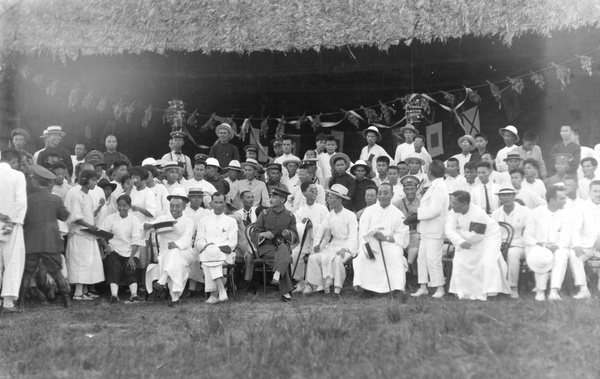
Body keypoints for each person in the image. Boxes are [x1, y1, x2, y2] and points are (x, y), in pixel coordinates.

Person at [524, 186, 590, 301]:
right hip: (538, 246)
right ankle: (540, 290)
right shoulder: (536, 213)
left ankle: (554, 291)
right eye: (562, 198)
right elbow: (527, 236)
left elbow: (567, 235)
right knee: (542, 255)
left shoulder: (568, 213)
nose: (566, 201)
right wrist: (541, 244)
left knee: (561, 255)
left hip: (559, 246)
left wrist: (557, 246)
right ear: (552, 200)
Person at [445, 191, 511, 300]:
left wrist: (459, 232)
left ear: (465, 204)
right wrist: (459, 240)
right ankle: (464, 291)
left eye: (455, 203)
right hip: (466, 239)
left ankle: (491, 292)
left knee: (487, 260)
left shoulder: (478, 214)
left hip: (489, 237)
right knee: (460, 260)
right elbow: (449, 229)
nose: (452, 205)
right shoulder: (454, 211)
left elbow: (476, 237)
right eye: (451, 202)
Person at [353, 183, 409, 297]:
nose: (382, 196)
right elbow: (362, 232)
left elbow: (403, 237)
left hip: (390, 244)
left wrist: (385, 237)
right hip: (371, 243)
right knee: (363, 256)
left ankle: (396, 288)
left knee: (396, 255)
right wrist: (369, 240)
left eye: (385, 193)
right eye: (380, 193)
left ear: (392, 194)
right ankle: (367, 289)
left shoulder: (398, 214)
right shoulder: (369, 211)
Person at [304, 184, 358, 298]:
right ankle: (316, 286)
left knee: (337, 259)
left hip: (346, 245)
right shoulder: (329, 216)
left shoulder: (350, 215)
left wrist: (345, 249)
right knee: (313, 258)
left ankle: (337, 289)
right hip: (333, 245)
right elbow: (322, 233)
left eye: (331, 198)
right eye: (328, 197)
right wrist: (317, 246)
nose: (328, 200)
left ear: (339, 200)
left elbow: (353, 236)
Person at [144, 188, 196, 307]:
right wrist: (146, 226)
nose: (174, 209)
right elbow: (151, 225)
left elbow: (187, 238)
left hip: (185, 252)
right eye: (172, 206)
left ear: (184, 207)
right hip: (165, 253)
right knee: (175, 260)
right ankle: (174, 299)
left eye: (178, 206)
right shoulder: (164, 218)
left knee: (175, 253)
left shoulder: (189, 221)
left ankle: (162, 280)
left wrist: (177, 245)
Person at [250, 187, 299, 302]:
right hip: (267, 248)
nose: (270, 199)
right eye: (271, 196)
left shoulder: (290, 216)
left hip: (282, 247)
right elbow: (254, 234)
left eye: (274, 197)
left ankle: (278, 277)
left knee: (283, 249)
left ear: (282, 200)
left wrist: (289, 234)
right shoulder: (264, 214)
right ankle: (285, 290)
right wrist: (263, 234)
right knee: (284, 258)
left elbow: (295, 236)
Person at [64, 169, 105, 301]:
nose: (95, 183)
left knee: (89, 262)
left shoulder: (89, 196)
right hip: (79, 235)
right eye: (93, 180)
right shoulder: (77, 195)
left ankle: (85, 291)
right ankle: (78, 293)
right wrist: (89, 226)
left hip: (88, 235)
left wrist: (98, 208)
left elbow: (88, 214)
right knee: (80, 263)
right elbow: (76, 218)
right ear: (85, 180)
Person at [409, 160, 448, 298]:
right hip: (426, 229)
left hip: (435, 229)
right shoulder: (433, 185)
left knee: (433, 259)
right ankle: (423, 286)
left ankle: (440, 288)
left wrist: (417, 211)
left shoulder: (439, 187)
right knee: (422, 258)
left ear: (430, 172)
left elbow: (436, 210)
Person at [99, 194, 145, 303]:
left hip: (130, 251)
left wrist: (132, 257)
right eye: (119, 205)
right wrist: (107, 247)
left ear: (129, 206)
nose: (121, 208)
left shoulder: (134, 220)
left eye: (124, 205)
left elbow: (136, 240)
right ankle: (114, 295)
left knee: (131, 268)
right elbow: (100, 234)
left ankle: (134, 294)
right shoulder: (111, 218)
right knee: (113, 267)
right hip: (114, 249)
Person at [195, 192, 238, 304]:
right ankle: (221, 289)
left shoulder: (231, 221)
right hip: (206, 252)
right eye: (216, 202)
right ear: (211, 204)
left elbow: (232, 243)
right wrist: (207, 247)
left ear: (225, 204)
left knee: (212, 254)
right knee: (210, 254)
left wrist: (214, 247)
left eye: (221, 202)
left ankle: (214, 295)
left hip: (226, 254)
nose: (218, 205)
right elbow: (199, 240)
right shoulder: (204, 220)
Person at [0, 149, 27, 311]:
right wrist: (10, 221)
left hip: (5, 220)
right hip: (12, 223)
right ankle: (8, 301)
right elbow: (21, 202)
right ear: (14, 162)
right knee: (12, 260)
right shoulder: (17, 176)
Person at [491, 186, 530, 298]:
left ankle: (513, 287)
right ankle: (493, 287)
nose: (506, 197)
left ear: (514, 196)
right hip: (501, 246)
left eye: (509, 195)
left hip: (521, 246)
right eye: (503, 195)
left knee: (512, 253)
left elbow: (528, 233)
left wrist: (512, 245)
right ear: (499, 197)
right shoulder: (495, 213)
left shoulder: (525, 211)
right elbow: (494, 234)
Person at [290, 182, 329, 284]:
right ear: (304, 193)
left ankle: (314, 283)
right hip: (304, 242)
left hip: (319, 242)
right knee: (295, 255)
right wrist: (303, 226)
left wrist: (313, 226)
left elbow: (327, 228)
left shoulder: (323, 209)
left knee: (314, 257)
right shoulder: (299, 212)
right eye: (311, 191)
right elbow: (297, 229)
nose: (314, 193)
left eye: (316, 190)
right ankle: (299, 280)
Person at [573, 180, 600, 292]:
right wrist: (576, 245)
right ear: (589, 193)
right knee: (574, 255)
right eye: (595, 191)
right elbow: (576, 227)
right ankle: (583, 288)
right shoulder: (582, 207)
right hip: (586, 246)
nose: (598, 194)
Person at [397, 175, 421, 279]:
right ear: (403, 190)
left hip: (418, 233)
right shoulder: (397, 204)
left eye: (412, 189)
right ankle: (411, 270)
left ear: (416, 188)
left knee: (416, 238)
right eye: (407, 189)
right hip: (402, 234)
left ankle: (409, 268)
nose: (410, 191)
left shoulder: (422, 203)